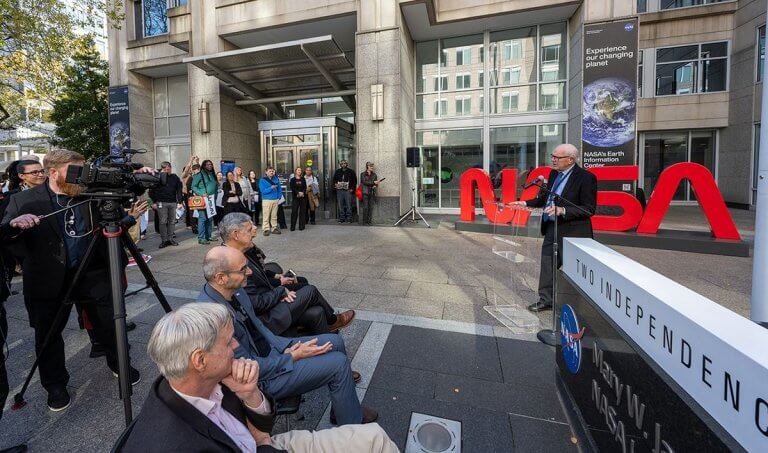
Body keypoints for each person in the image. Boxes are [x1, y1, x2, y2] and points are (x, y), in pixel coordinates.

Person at [119, 302, 398, 453]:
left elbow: (264, 423)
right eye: (228, 343)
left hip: (264, 443)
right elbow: (261, 435)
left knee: (375, 436)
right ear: (199, 360)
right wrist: (263, 441)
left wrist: (251, 396)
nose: (236, 347)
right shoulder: (174, 442)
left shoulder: (210, 379)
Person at [0, 149, 147, 411]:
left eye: (85, 170)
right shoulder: (24, 201)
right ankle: (55, 386)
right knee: (48, 336)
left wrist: (139, 179)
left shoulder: (90, 193)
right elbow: (7, 236)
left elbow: (115, 215)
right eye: (76, 171)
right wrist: (14, 228)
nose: (83, 176)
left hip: (93, 273)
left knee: (110, 324)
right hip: (47, 279)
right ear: (53, 172)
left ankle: (119, 364)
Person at [197, 246, 378, 426]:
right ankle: (352, 428)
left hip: (272, 353)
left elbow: (259, 327)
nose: (250, 271)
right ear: (221, 277)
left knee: (335, 341)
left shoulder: (235, 290)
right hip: (259, 380)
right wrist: (290, 356)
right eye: (243, 269)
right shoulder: (213, 318)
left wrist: (284, 346)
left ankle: (343, 410)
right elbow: (247, 369)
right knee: (339, 364)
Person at [219, 213, 355, 336]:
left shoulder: (242, 251)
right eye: (249, 230)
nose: (254, 231)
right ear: (236, 235)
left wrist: (279, 283)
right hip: (266, 318)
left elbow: (262, 276)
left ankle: (327, 342)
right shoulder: (230, 263)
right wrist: (280, 291)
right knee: (310, 290)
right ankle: (333, 321)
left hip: (269, 300)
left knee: (317, 310)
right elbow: (256, 304)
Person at [512, 144, 597, 312]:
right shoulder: (553, 174)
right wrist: (524, 203)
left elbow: (588, 209)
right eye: (553, 156)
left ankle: (582, 308)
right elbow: (545, 199)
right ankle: (546, 300)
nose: (553, 160)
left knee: (575, 272)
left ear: (571, 160)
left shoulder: (586, 178)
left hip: (574, 232)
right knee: (548, 264)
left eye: (557, 157)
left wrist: (563, 210)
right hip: (553, 228)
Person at [149, 161, 183, 248]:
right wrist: (153, 202)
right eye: (165, 169)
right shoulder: (157, 177)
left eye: (169, 168)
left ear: (171, 168)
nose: (167, 170)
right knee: (163, 221)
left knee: (172, 221)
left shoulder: (174, 177)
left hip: (172, 202)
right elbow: (151, 191)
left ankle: (170, 239)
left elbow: (179, 190)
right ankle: (164, 240)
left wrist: (180, 202)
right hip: (161, 202)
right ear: (162, 169)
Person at [192, 159, 218, 244]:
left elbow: (215, 186)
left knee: (210, 218)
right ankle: (201, 238)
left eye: (211, 164)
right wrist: (201, 193)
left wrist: (216, 195)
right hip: (203, 199)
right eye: (207, 164)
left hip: (211, 199)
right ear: (203, 165)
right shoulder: (199, 175)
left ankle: (208, 236)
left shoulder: (212, 174)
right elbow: (193, 187)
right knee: (202, 218)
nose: (210, 166)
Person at [259, 167, 281, 236]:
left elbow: (279, 189)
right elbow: (263, 191)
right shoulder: (262, 180)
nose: (271, 172)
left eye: (272, 171)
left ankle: (274, 228)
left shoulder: (276, 179)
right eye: (269, 171)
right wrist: (271, 188)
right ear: (266, 172)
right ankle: (266, 229)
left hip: (275, 200)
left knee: (274, 215)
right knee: (266, 215)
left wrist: (279, 197)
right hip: (266, 200)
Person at [288, 167, 307, 232]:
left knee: (302, 212)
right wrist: (298, 193)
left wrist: (302, 193)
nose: (299, 171)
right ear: (295, 171)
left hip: (303, 197)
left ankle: (301, 226)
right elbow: (292, 187)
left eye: (300, 170)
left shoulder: (303, 179)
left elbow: (305, 187)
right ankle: (292, 227)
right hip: (295, 197)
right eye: (298, 170)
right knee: (294, 212)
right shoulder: (293, 179)